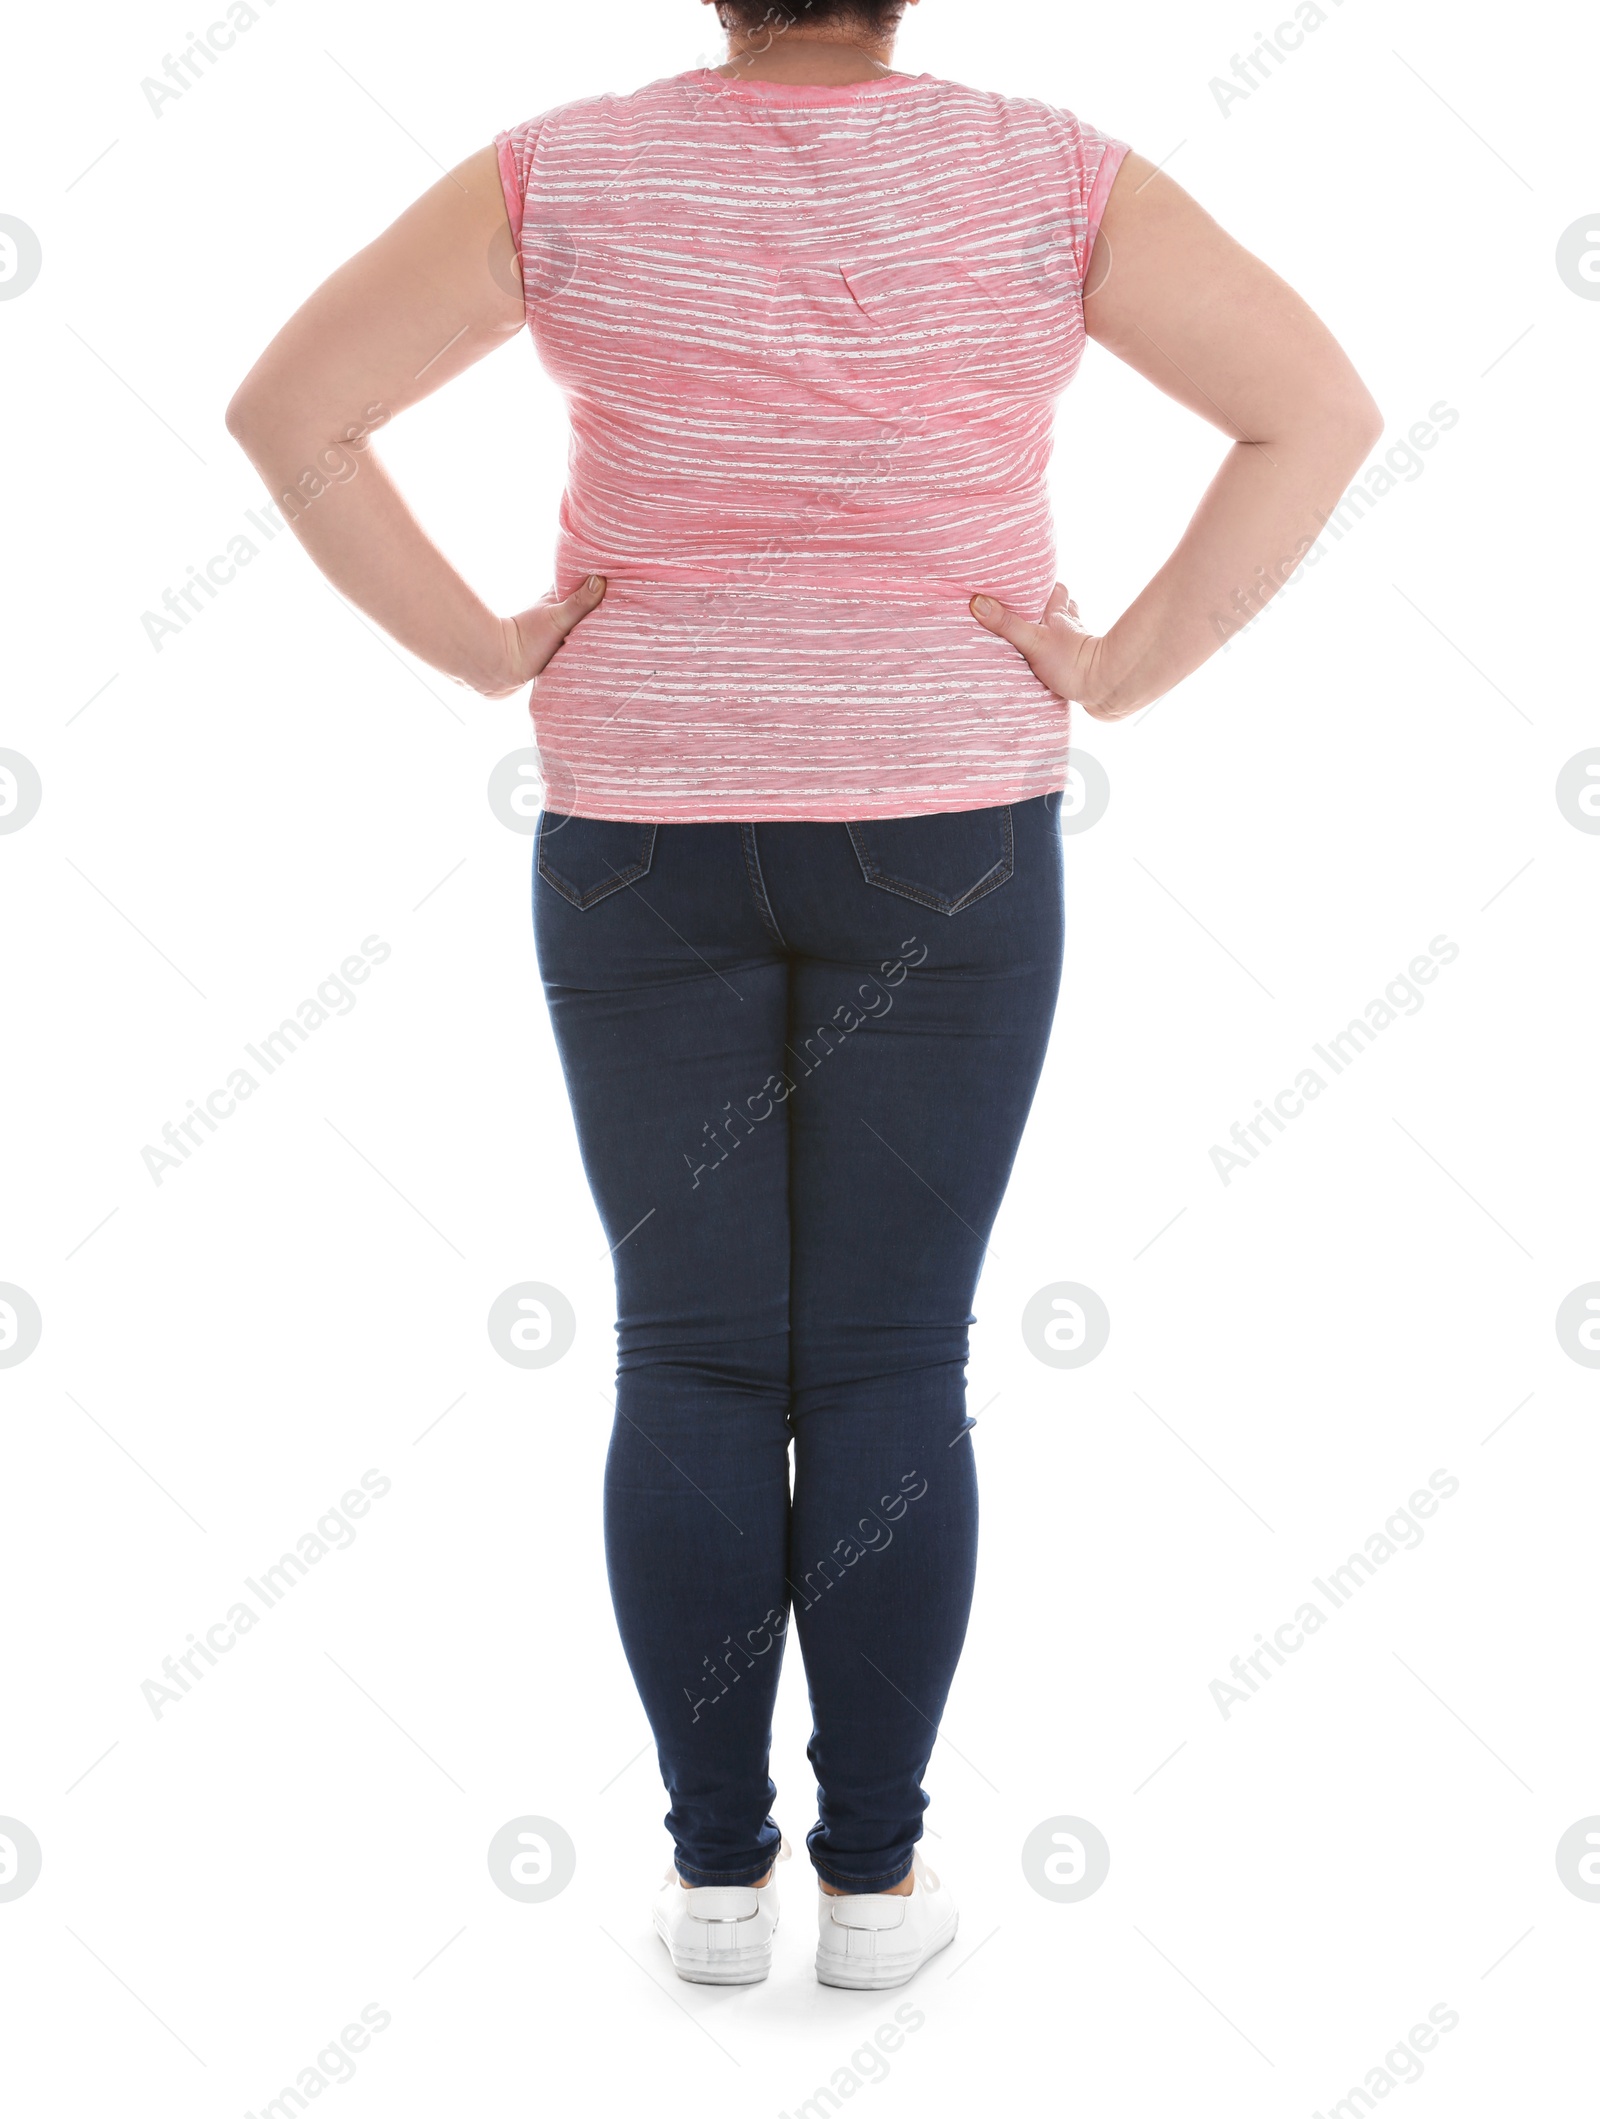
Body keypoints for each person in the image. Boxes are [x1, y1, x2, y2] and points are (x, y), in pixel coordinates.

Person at [226, 0, 1381, 1991]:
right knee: (878, 1365)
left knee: (685, 1361)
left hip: (639, 832)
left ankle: (705, 1887)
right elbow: (1317, 409)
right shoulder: (1044, 169)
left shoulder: (564, 166)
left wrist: (490, 644)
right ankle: (869, 1893)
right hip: (938, 826)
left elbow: (289, 409)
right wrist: (1119, 666)